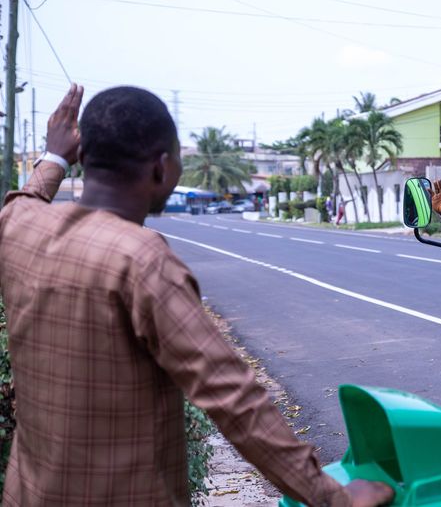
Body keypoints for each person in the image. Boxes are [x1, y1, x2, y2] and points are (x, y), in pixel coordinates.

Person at [0, 85, 393, 507]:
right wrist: (333, 498)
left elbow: (23, 200)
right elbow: (234, 400)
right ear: (162, 167)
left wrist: (54, 155)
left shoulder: (19, 226)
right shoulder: (142, 261)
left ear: (84, 157)